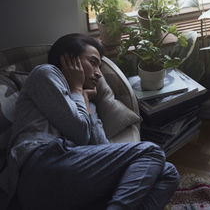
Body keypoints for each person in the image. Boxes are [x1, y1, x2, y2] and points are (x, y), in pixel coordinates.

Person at [7, 33, 179, 210]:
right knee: (151, 151)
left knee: (168, 173)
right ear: (69, 60)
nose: (99, 73)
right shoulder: (46, 74)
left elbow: (99, 145)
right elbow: (79, 132)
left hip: (70, 177)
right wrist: (76, 88)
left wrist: (85, 100)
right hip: (40, 168)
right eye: (93, 62)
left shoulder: (84, 99)